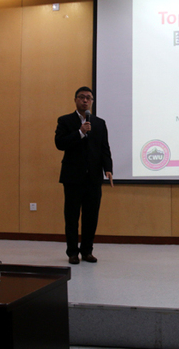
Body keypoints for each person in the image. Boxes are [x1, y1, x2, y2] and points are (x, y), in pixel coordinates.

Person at [55, 86, 113, 264]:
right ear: (75, 100)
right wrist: (80, 132)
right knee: (72, 217)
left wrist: (108, 168)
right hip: (73, 178)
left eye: (88, 97)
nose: (85, 100)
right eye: (81, 97)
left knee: (91, 217)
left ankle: (87, 251)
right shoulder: (65, 121)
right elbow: (59, 143)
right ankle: (72, 252)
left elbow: (104, 148)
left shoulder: (99, 123)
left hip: (93, 178)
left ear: (92, 101)